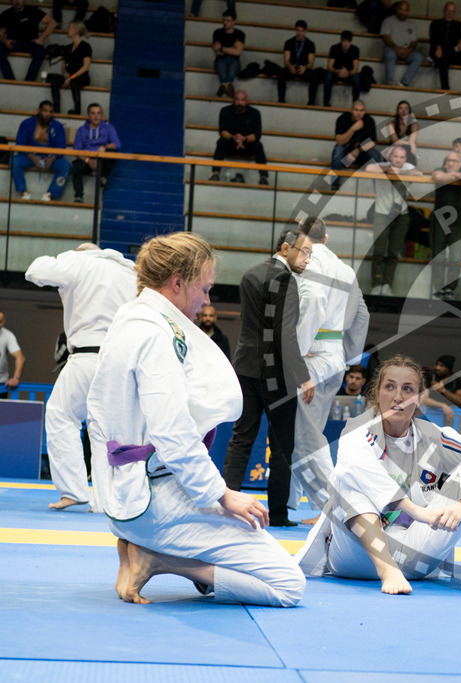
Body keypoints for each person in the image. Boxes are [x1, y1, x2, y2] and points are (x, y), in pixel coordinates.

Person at [86, 232, 305, 607]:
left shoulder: (128, 320)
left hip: (128, 493)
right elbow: (172, 434)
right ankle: (160, 559)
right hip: (156, 498)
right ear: (177, 283)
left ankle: (151, 549)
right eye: (204, 288)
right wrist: (221, 494)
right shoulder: (154, 334)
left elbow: (96, 416)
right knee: (288, 585)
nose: (206, 299)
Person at [294, 355, 461, 596]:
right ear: (377, 393)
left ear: (420, 398)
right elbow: (352, 469)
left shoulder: (434, 436)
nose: (397, 397)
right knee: (345, 476)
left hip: (414, 556)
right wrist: (416, 510)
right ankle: (387, 569)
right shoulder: (358, 430)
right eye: (389, 387)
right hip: (355, 556)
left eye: (407, 389)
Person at [25, 243, 136, 511]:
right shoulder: (131, 271)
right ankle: (103, 500)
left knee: (60, 415)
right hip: (120, 360)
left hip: (87, 355)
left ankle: (73, 490)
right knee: (103, 430)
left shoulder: (80, 262)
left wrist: (68, 259)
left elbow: (35, 270)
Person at [222, 230, 315, 528]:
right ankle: (277, 514)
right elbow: (284, 334)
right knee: (282, 445)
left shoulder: (250, 274)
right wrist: (303, 375)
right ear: (286, 248)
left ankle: (227, 503)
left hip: (246, 366)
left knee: (241, 438)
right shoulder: (286, 279)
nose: (307, 259)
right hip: (276, 375)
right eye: (303, 252)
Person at [291, 216, 370, 515]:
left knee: (307, 438)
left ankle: (334, 507)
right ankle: (289, 501)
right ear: (327, 238)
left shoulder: (308, 263)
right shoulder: (346, 270)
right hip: (335, 355)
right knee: (305, 434)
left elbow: (311, 304)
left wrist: (300, 351)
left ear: (302, 238)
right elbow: (363, 316)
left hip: (313, 354)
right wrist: (350, 358)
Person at [365, 145, 422, 296]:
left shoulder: (407, 167)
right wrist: (389, 170)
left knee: (393, 252)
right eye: (396, 156)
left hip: (401, 215)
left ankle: (387, 285)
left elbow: (418, 174)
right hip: (381, 214)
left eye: (402, 157)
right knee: (379, 251)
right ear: (390, 157)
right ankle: (376, 284)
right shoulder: (382, 165)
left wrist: (401, 172)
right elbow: (369, 169)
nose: (398, 160)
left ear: (405, 159)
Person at [431, 151, 461, 300]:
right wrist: (456, 177)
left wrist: (454, 175)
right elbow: (438, 177)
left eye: (454, 161)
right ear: (445, 162)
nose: (450, 163)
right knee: (438, 257)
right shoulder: (439, 170)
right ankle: (438, 288)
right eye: (448, 160)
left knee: (455, 258)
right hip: (439, 221)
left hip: (457, 223)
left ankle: (450, 288)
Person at [12, 101, 70, 202]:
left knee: (65, 165)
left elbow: (61, 147)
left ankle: (50, 194)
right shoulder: (27, 124)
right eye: (45, 111)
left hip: (50, 158)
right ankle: (23, 191)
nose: (47, 114)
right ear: (39, 110)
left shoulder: (58, 126)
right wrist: (32, 157)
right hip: (29, 157)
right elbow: (20, 144)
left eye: (50, 112)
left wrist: (52, 158)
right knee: (14, 161)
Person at [210, 89, 269, 185]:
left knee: (258, 145)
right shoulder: (225, 111)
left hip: (247, 145)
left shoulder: (254, 113)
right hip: (231, 144)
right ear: (233, 100)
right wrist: (234, 138)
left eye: (242, 100)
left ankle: (263, 177)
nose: (240, 103)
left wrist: (244, 139)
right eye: (237, 100)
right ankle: (215, 174)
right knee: (221, 142)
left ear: (247, 101)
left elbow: (257, 135)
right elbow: (223, 132)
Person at [70, 103, 120, 204]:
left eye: (99, 113)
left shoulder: (108, 128)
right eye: (93, 113)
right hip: (86, 160)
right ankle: (79, 196)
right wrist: (88, 160)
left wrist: (105, 147)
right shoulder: (81, 130)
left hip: (102, 160)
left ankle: (102, 175)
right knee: (75, 166)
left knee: (113, 154)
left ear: (102, 115)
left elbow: (117, 144)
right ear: (88, 115)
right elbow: (76, 150)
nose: (96, 116)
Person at [0, 0, 56, 82]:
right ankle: (9, 80)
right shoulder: (6, 14)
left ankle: (29, 80)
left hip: (31, 43)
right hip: (13, 43)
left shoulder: (33, 11)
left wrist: (41, 38)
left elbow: (52, 23)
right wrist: (5, 41)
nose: (17, 2)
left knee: (40, 51)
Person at [46, 20, 91, 115]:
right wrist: (65, 73)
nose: (68, 30)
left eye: (70, 28)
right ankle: (56, 107)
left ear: (75, 30)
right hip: (70, 77)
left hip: (80, 77)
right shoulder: (67, 48)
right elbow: (64, 65)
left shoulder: (85, 46)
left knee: (74, 81)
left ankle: (77, 109)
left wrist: (72, 77)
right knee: (53, 79)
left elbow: (86, 67)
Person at [330, 100, 381, 181]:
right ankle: (335, 184)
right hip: (346, 157)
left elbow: (373, 143)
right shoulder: (343, 119)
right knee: (337, 150)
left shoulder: (369, 120)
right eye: (356, 110)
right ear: (351, 110)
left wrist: (358, 150)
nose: (359, 113)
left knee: (374, 153)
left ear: (365, 111)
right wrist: (353, 128)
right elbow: (339, 142)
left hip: (362, 155)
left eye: (361, 110)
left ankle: (375, 184)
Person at [381, 1, 423, 87]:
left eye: (405, 10)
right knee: (389, 54)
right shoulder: (388, 20)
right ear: (397, 9)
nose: (402, 12)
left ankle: (404, 83)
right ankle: (389, 83)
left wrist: (409, 50)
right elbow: (386, 38)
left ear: (408, 11)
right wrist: (396, 48)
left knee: (418, 57)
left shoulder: (412, 24)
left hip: (407, 52)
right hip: (392, 49)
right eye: (401, 10)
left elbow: (414, 42)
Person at [278, 20, 319, 106]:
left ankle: (311, 101)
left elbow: (311, 63)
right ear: (295, 30)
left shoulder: (310, 44)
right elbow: (286, 60)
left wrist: (305, 67)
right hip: (292, 67)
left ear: (305, 31)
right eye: (298, 30)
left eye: (301, 30)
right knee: (281, 73)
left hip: (304, 68)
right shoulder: (289, 42)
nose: (299, 33)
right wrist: (290, 66)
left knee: (314, 75)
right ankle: (281, 99)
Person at [422, 354, 461, 424]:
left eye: (441, 366)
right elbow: (422, 399)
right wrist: (443, 406)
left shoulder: (456, 381)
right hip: (427, 418)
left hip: (448, 421)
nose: (437, 368)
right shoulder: (430, 377)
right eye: (437, 365)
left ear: (448, 368)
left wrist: (443, 390)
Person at [430, 2, 461, 92]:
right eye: (448, 11)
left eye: (452, 11)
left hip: (452, 53)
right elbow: (433, 40)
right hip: (438, 53)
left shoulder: (458, 25)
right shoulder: (435, 23)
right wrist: (438, 47)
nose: (450, 14)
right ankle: (445, 88)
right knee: (443, 60)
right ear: (444, 11)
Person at [212, 10, 245, 98]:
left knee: (232, 67)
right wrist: (232, 48)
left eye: (228, 21)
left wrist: (222, 48)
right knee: (222, 65)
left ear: (234, 21)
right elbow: (217, 51)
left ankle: (223, 85)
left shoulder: (240, 34)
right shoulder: (217, 32)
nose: (225, 23)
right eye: (224, 20)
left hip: (234, 61)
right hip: (220, 60)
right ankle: (228, 85)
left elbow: (238, 52)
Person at [323, 30, 360, 107]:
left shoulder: (355, 50)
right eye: (344, 41)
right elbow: (329, 66)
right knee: (328, 78)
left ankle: (355, 103)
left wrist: (348, 73)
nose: (346, 44)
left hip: (349, 73)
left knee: (357, 79)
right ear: (340, 40)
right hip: (336, 72)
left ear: (351, 41)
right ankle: (326, 102)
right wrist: (337, 71)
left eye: (348, 42)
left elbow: (356, 68)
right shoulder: (334, 48)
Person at [0, 310, 26, 399]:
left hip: (1, 385)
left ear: (4, 322)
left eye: (0, 321)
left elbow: (20, 357)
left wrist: (15, 378)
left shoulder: (7, 335)